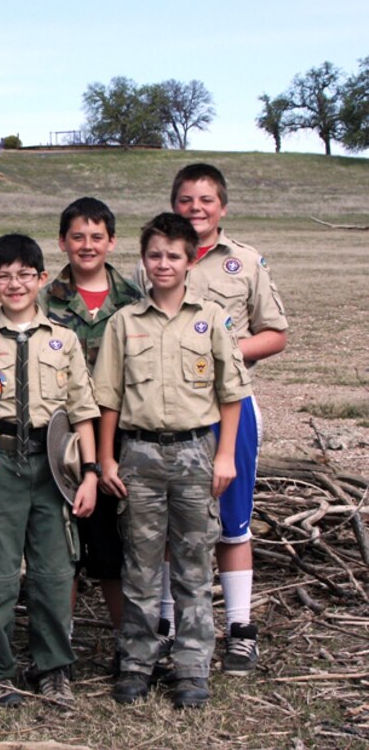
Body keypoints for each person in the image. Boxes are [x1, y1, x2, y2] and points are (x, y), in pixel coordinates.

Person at [95, 212, 252, 709]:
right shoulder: (125, 322)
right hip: (138, 454)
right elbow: (108, 398)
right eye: (155, 255)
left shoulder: (210, 320)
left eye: (173, 255)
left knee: (192, 566)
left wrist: (224, 455)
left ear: (190, 260)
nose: (163, 263)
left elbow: (231, 393)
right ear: (143, 261)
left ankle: (191, 664)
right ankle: (138, 660)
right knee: (140, 565)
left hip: (194, 454)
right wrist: (105, 459)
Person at [136, 163, 288, 675]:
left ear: (222, 207)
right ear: (173, 204)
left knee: (232, 520)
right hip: (167, 410)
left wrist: (219, 352)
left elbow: (275, 332)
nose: (195, 209)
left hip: (229, 406)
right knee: (169, 520)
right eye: (185, 200)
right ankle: (167, 624)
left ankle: (240, 628)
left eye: (205, 200)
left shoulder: (243, 262)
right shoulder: (155, 260)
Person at [0, 234, 101, 708]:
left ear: (40, 278)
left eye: (24, 274)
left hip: (53, 471)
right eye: (3, 276)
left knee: (55, 574)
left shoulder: (64, 341)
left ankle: (53, 667)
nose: (15, 284)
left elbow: (82, 411)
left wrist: (90, 473)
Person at [38, 196, 141, 645]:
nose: (86, 245)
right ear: (62, 242)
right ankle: (61, 645)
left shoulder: (133, 299)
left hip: (121, 434)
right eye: (77, 236)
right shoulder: (44, 298)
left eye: (96, 236)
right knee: (64, 542)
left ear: (112, 242)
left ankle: (128, 643)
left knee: (115, 544)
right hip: (61, 436)